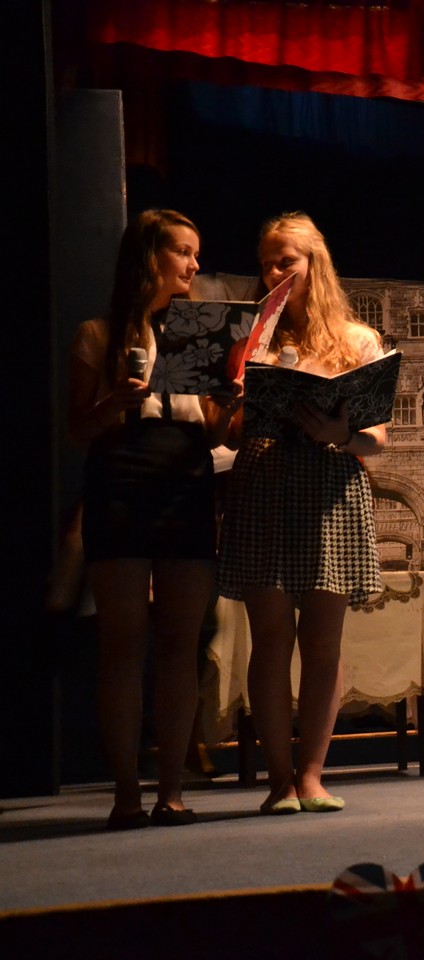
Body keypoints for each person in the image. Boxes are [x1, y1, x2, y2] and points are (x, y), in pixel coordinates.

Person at [67, 208, 242, 828]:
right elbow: (76, 430)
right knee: (121, 645)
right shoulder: (99, 334)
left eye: (196, 253)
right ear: (150, 257)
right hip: (120, 483)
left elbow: (217, 433)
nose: (194, 264)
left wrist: (230, 404)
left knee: (180, 643)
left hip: (187, 484)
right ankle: (124, 794)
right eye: (184, 252)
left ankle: (171, 791)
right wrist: (112, 401)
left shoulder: (199, 332)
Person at [218, 212, 387, 814]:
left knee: (323, 642)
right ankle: (279, 780)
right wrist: (235, 404)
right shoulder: (250, 338)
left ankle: (312, 775)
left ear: (315, 264)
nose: (274, 272)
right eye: (266, 262)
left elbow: (377, 438)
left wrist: (341, 433)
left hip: (329, 486)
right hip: (264, 480)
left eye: (286, 261)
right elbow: (230, 436)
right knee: (269, 640)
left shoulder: (356, 340)